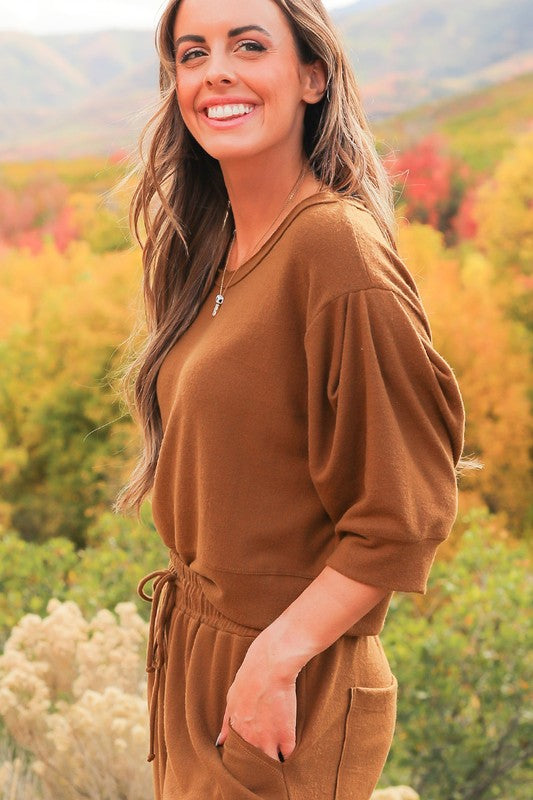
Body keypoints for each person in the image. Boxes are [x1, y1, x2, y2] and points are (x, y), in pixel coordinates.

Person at [114, 0, 466, 798]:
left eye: (247, 46)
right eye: (192, 54)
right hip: (202, 666)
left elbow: (403, 512)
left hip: (288, 685)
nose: (216, 72)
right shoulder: (215, 252)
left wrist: (271, 663)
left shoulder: (334, 249)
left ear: (312, 75)